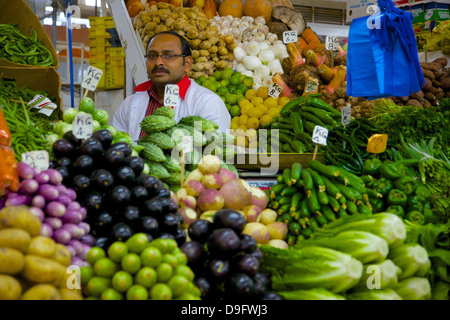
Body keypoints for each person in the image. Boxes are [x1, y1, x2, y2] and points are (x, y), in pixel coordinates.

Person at [112, 31, 231, 144]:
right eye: (152, 56)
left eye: (168, 55)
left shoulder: (207, 103)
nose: (158, 62)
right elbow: (116, 147)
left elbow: (213, 155)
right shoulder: (128, 104)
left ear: (187, 63)